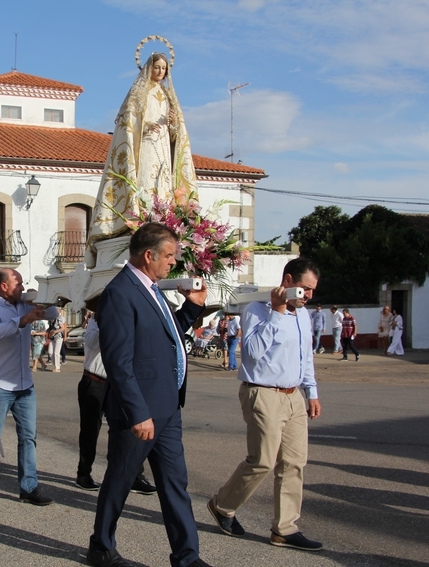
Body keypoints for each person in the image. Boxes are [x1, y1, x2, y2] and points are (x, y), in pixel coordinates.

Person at [87, 223, 209, 567]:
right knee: (120, 479)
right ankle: (101, 547)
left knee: (175, 483)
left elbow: (165, 337)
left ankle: (187, 557)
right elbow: (119, 361)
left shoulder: (152, 289)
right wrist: (138, 413)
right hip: (138, 411)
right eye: (169, 255)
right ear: (148, 255)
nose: (174, 262)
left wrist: (192, 308)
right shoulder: (120, 293)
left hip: (167, 406)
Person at [207, 257, 323, 552]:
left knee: (294, 463)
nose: (308, 295)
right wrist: (278, 312)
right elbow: (253, 352)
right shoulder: (257, 309)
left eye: (312, 290)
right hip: (263, 393)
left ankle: (285, 529)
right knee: (262, 461)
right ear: (288, 281)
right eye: (304, 288)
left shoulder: (304, 315)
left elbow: (305, 357)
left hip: (293, 395)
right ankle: (223, 505)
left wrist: (311, 392)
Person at [87, 51, 196, 264]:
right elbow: (128, 125)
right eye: (157, 67)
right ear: (148, 68)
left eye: (164, 68)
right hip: (144, 146)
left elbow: (177, 136)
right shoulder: (139, 93)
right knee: (145, 180)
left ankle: (162, 220)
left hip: (163, 148)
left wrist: (174, 124)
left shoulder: (168, 96)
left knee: (163, 184)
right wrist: (144, 127)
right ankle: (142, 217)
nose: (160, 71)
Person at [0, 268, 58, 505]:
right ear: (4, 287)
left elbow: (54, 312)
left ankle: (29, 487)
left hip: (24, 383)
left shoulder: (25, 304)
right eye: (19, 284)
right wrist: (24, 320)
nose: (22, 287)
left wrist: (41, 299)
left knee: (28, 437)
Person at [75, 312, 157, 496]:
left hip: (119, 384)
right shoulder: (96, 320)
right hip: (95, 382)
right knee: (90, 431)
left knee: (130, 428)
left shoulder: (128, 318)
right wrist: (107, 321)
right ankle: (83, 474)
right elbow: (91, 343)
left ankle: (135, 476)